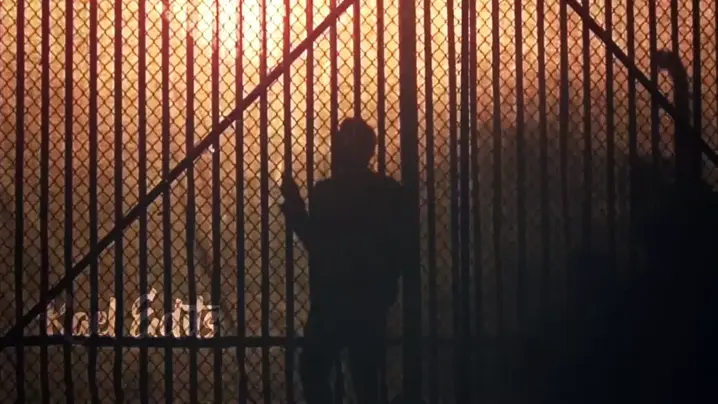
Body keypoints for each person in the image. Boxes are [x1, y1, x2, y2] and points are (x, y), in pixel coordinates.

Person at [280, 117, 411, 404]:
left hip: (333, 300)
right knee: (365, 378)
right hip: (369, 300)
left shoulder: (327, 193)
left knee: (314, 368)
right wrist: (386, 283)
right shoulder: (389, 192)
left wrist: (295, 209)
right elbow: (403, 247)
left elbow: (317, 243)